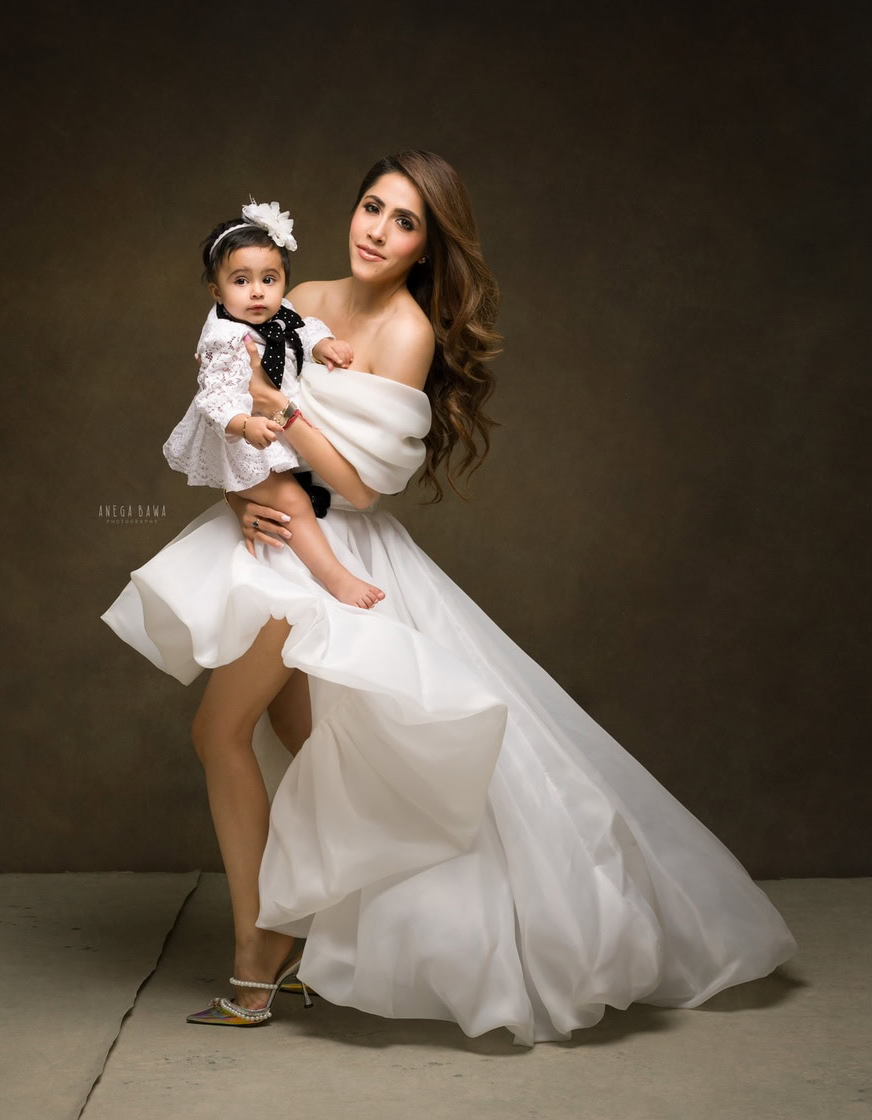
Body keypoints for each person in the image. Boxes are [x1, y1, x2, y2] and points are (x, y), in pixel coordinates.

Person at [101, 150, 797, 1044]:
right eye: (369, 207)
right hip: (269, 531)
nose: (376, 231)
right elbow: (229, 410)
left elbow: (357, 488)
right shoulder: (300, 291)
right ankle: (302, 933)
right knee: (308, 738)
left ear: (428, 247)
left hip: (329, 549)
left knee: (220, 731)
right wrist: (244, 484)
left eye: (403, 222)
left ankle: (256, 959)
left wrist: (287, 415)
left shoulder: (407, 331)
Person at [163, 199, 385, 609]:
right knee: (291, 503)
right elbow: (213, 398)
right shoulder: (224, 338)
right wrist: (244, 425)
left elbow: (305, 330)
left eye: (269, 278)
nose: (258, 292)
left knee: (296, 493)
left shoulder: (280, 312)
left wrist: (323, 345)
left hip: (274, 427)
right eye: (241, 281)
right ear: (217, 290)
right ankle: (337, 579)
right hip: (240, 437)